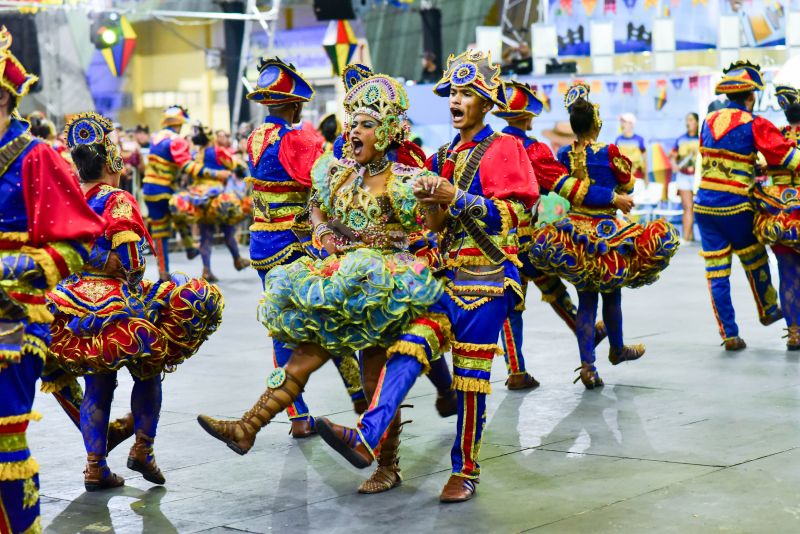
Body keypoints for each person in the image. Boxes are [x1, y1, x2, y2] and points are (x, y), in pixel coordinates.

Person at [198, 68, 442, 493]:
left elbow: (428, 228)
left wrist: (429, 214)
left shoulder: (404, 180)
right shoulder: (340, 174)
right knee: (303, 355)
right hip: (341, 276)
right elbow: (316, 208)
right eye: (353, 125)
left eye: (366, 126)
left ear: (385, 132)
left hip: (386, 286)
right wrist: (326, 234)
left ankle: (387, 464)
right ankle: (248, 427)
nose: (354, 134)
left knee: (373, 377)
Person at [316, 50, 539, 503]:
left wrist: (453, 194)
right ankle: (367, 436)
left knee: (470, 378)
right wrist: (429, 203)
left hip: (487, 279)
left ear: (486, 102)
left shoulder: (505, 148)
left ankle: (466, 470)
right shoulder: (440, 155)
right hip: (443, 277)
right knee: (407, 348)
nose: (456, 101)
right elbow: (435, 225)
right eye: (453, 93)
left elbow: (515, 213)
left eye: (466, 94)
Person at [47, 112, 224, 492]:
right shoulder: (118, 199)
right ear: (111, 163)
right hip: (117, 298)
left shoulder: (69, 199)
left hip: (71, 302)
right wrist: (127, 273)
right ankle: (143, 446)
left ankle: (95, 466)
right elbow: (130, 262)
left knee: (98, 383)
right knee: (149, 366)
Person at [207, 57, 362, 438]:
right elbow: (329, 172)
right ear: (293, 105)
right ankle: (363, 400)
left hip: (261, 242)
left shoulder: (256, 138)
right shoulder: (298, 140)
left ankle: (298, 415)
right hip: (294, 244)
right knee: (331, 315)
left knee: (280, 327)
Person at [0, 27, 106, 532]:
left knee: (3, 440)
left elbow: (80, 240)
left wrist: (19, 268)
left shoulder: (35, 155)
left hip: (14, 321)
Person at [529, 83, 680, 388]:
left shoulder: (563, 154)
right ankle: (617, 348)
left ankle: (588, 366)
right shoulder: (609, 151)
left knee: (586, 300)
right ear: (596, 124)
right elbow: (627, 186)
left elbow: (558, 189)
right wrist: (613, 192)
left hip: (572, 234)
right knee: (612, 294)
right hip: (607, 232)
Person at [493, 80, 607, 390]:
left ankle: (516, 370)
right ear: (528, 118)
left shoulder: (488, 146)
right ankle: (586, 333)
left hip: (493, 242)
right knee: (555, 288)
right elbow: (565, 186)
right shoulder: (532, 148)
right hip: (528, 240)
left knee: (510, 303)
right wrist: (609, 198)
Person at [695, 61, 799, 350]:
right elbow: (789, 159)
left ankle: (729, 334)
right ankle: (768, 311)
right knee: (755, 258)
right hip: (737, 206)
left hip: (704, 205)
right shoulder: (755, 124)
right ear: (751, 96)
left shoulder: (709, 120)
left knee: (717, 273)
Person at [751, 85, 800, 350]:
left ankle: (794, 332)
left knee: (788, 273)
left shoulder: (778, 137)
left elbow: (760, 166)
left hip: (779, 213)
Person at [172, 124, 250, 281]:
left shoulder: (196, 154)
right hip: (218, 198)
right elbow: (237, 166)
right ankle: (237, 259)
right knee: (228, 231)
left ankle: (206, 269)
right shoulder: (217, 151)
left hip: (199, 199)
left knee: (205, 234)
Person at [142, 105, 201, 281]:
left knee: (160, 232)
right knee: (182, 211)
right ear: (180, 123)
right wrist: (210, 172)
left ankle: (163, 272)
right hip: (165, 190)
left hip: (150, 190)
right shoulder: (177, 140)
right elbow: (186, 165)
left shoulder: (156, 138)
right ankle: (190, 246)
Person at [670, 112, 700, 241]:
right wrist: (674, 165)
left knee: (696, 208)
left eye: (691, 120)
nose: (688, 123)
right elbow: (672, 156)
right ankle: (686, 238)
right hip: (683, 176)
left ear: (697, 122)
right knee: (688, 207)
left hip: (699, 177)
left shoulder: (702, 138)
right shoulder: (680, 139)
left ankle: (691, 236)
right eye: (687, 120)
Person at [615, 113, 647, 185]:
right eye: (621, 122)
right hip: (623, 176)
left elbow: (645, 160)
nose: (622, 124)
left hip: (637, 175)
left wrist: (646, 178)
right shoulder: (618, 140)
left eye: (624, 122)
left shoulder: (639, 140)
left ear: (632, 124)